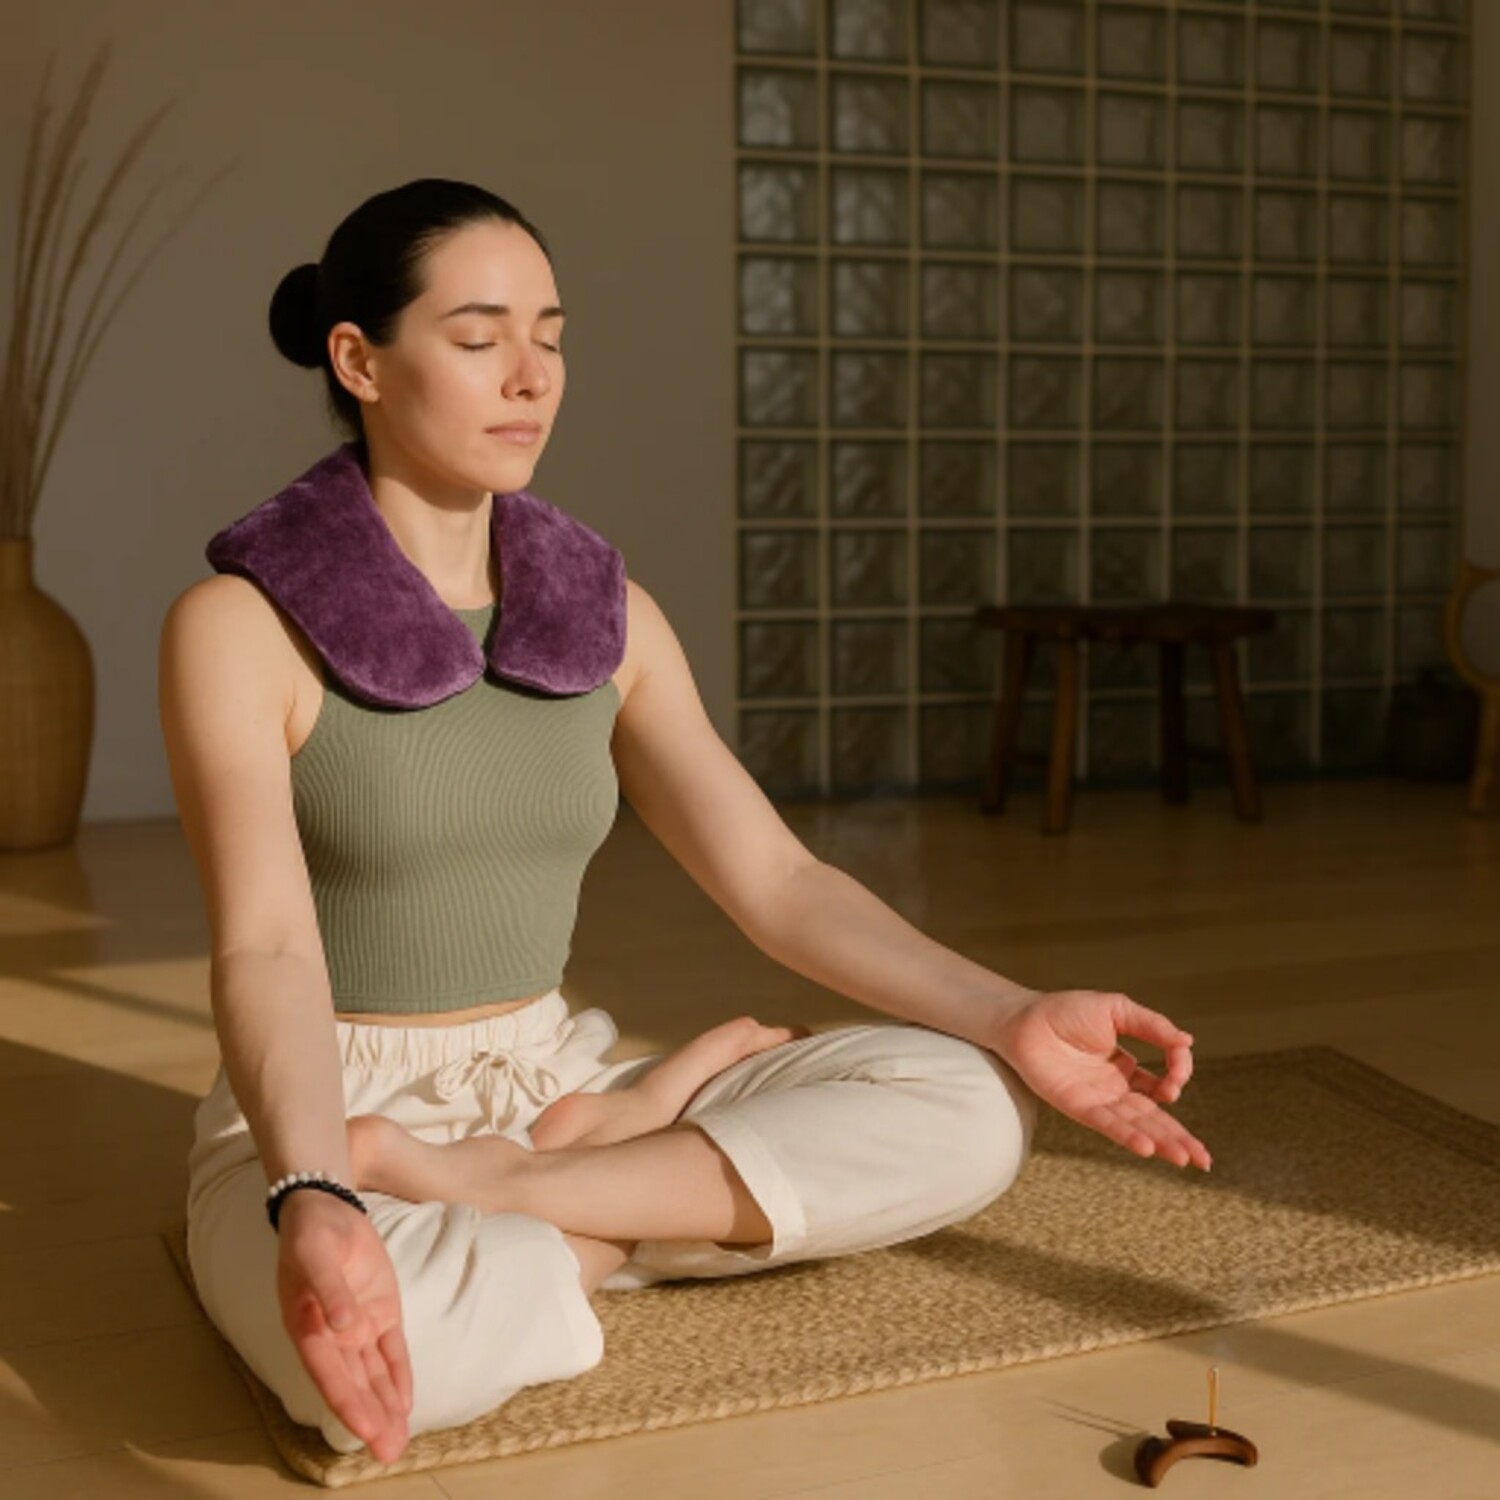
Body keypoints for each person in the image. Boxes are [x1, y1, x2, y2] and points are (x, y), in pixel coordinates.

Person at [158, 178, 1211, 1468]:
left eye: (551, 338)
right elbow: (265, 946)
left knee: (979, 1103)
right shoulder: (237, 628)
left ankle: (530, 1190)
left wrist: (1013, 1012)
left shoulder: (608, 616)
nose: (531, 377)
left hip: (557, 1088)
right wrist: (315, 1187)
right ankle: (631, 1201)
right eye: (480, 338)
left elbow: (779, 882)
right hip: (328, 1114)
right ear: (359, 361)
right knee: (389, 1360)